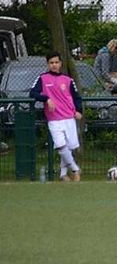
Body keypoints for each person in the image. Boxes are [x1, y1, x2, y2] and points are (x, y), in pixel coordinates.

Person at [29, 52, 82, 181]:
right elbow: (33, 93)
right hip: (54, 118)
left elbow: (76, 96)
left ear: (60, 63)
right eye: (51, 63)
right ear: (48, 64)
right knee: (60, 145)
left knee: (68, 147)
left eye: (56, 62)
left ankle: (63, 174)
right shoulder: (42, 78)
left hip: (69, 117)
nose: (54, 65)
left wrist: (79, 110)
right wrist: (46, 99)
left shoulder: (68, 80)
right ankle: (75, 169)